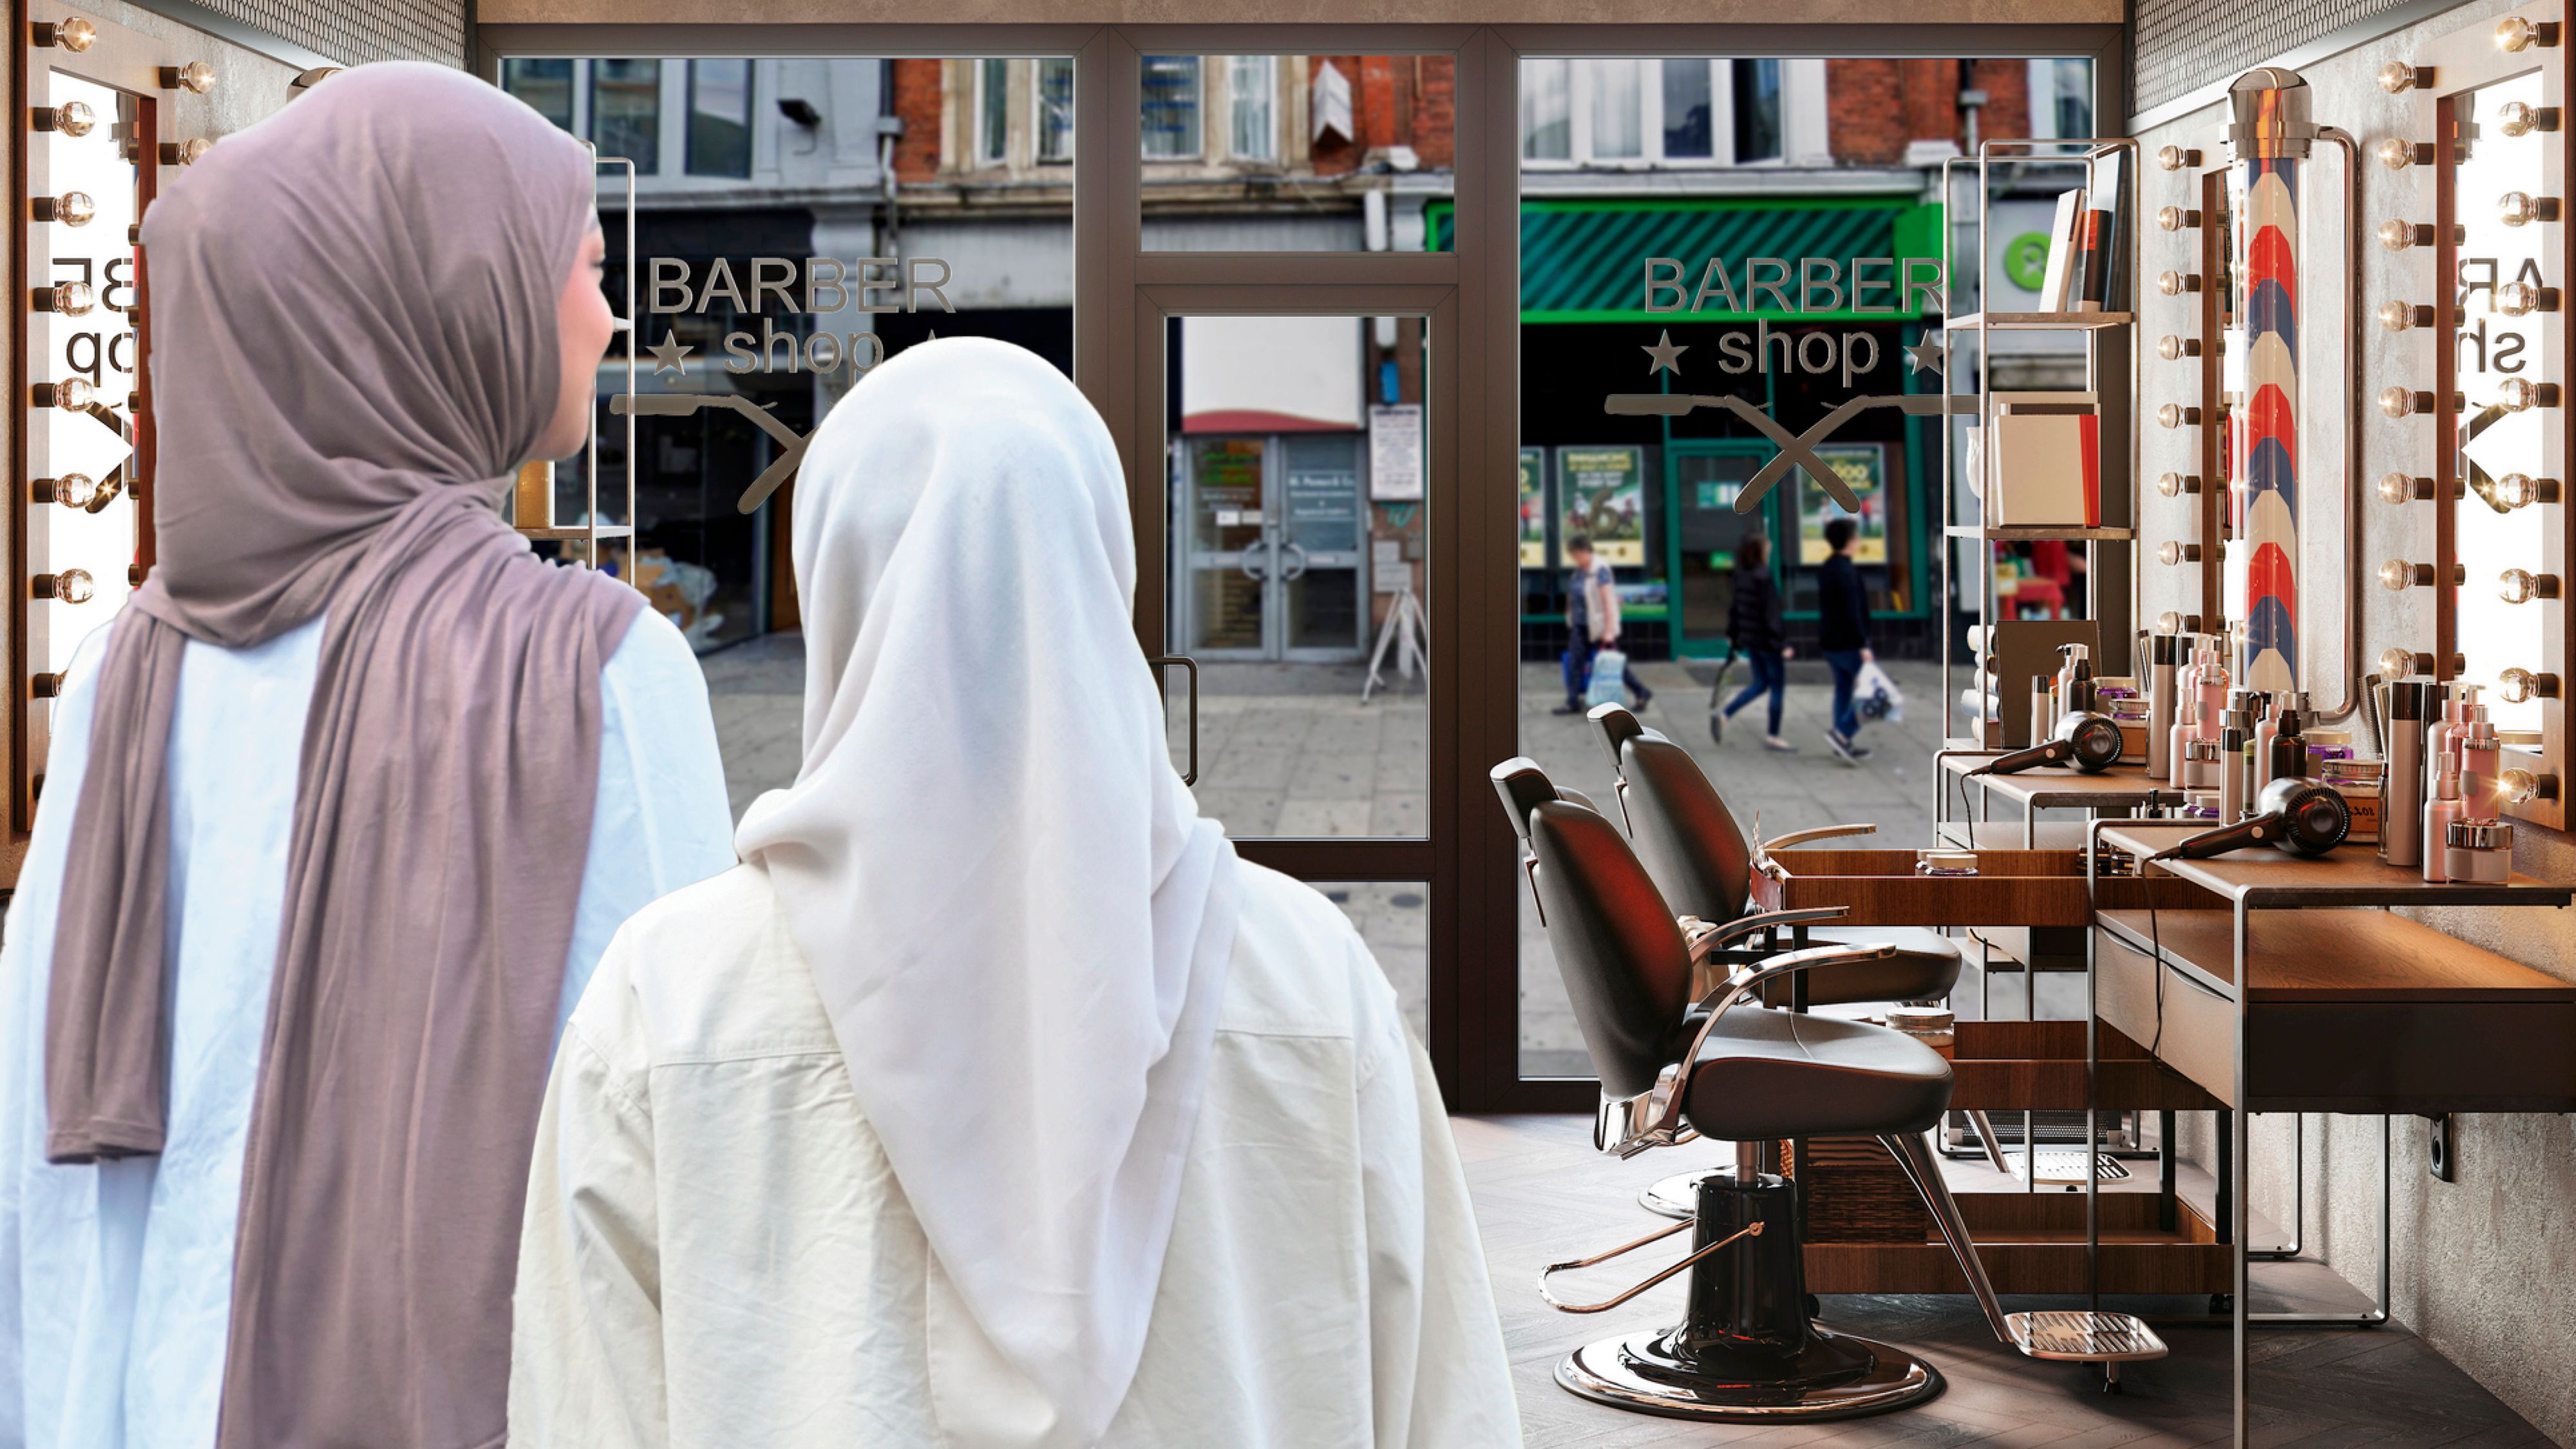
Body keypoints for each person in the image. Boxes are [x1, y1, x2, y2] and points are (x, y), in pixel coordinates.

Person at [507, 339, 1519, 1449]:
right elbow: (1450, 1404)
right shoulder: (1312, 976)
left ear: (838, 580)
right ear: (1108, 570)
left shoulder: (669, 1000)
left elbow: (583, 1410)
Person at [0, 66, 737, 1449]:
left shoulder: (127, 669)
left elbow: (35, 1142)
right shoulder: (593, 671)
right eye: (576, 268)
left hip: (143, 1386)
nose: (608, 313)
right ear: (444, 303)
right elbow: (677, 1124)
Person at [1553, 533, 1650, 715]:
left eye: (1574, 554)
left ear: (1583, 551)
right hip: (1580, 626)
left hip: (1598, 628)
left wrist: (1609, 631)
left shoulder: (1600, 570)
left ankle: (1641, 692)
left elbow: (1609, 601)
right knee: (1575, 663)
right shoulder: (1580, 571)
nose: (1573, 558)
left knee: (1610, 665)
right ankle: (1572, 702)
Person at [1717, 532, 1794, 752]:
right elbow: (1773, 614)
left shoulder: (1741, 576)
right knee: (1776, 687)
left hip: (1752, 640)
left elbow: (1735, 610)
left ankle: (1726, 714)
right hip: (1768, 642)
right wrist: (1783, 644)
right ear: (1759, 550)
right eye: (1766, 545)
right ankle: (1774, 736)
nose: (1770, 548)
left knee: (1761, 684)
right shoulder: (1764, 576)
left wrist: (1733, 636)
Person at [1818, 515, 1875, 764]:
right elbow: (1853, 611)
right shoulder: (1847, 571)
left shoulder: (1828, 567)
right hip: (1849, 642)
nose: (1858, 540)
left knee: (1843, 688)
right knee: (1873, 693)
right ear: (1850, 541)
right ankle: (1842, 734)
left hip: (1830, 640)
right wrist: (1863, 644)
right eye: (1856, 536)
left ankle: (1842, 741)